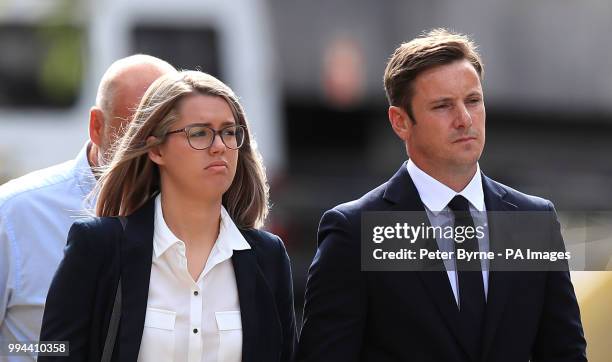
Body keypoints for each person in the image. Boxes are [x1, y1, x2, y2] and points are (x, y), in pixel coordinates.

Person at [297, 29, 586, 362]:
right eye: (443, 106)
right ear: (400, 122)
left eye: (473, 101)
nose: (464, 119)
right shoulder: (356, 231)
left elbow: (565, 353)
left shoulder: (533, 221)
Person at [39, 70, 297, 362]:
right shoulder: (98, 247)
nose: (219, 146)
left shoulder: (268, 258)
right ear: (156, 149)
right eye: (199, 132)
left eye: (228, 131)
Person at [0, 55, 175, 361]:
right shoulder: (14, 215)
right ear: (97, 126)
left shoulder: (197, 220)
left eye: (167, 133)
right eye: (134, 134)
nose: (152, 151)